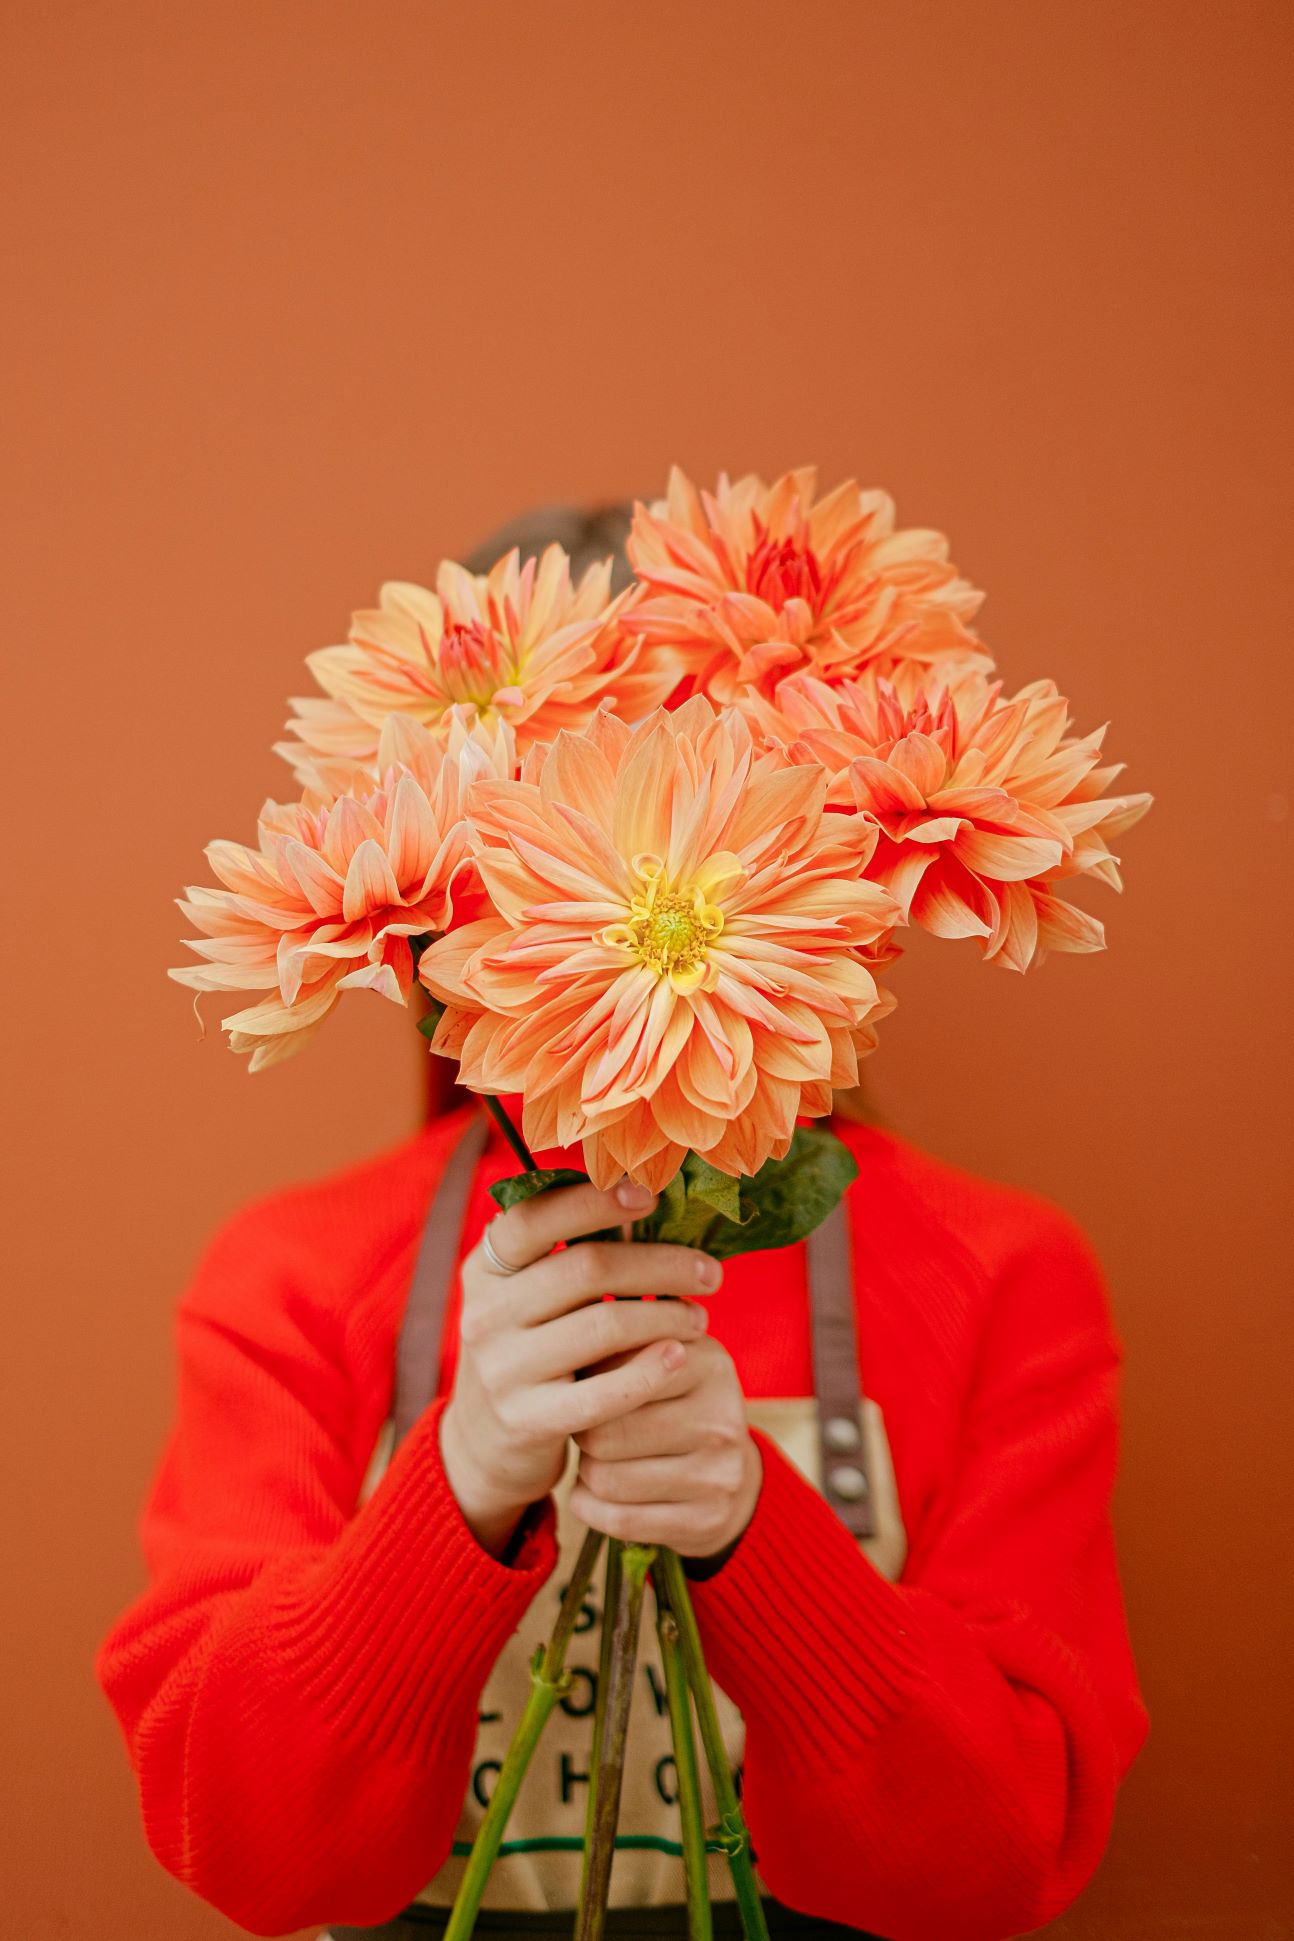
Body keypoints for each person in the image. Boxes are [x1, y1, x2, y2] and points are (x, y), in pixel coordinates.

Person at [96, 508, 1150, 1941]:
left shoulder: (1001, 1275)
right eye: (558, 799)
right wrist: (460, 1480)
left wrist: (747, 1534)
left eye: (693, 774)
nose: (624, 838)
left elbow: (993, 1863)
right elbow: (251, 1853)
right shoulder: (290, 1277)